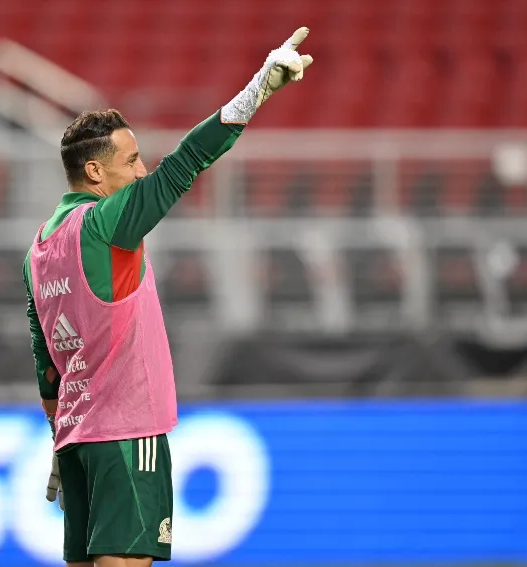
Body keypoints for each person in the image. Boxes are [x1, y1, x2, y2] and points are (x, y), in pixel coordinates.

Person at [23, 27, 314, 567]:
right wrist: (259, 88)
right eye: (131, 161)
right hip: (127, 430)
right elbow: (185, 165)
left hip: (77, 437)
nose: (141, 171)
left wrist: (58, 434)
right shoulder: (107, 223)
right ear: (94, 172)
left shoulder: (39, 246)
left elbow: (46, 362)